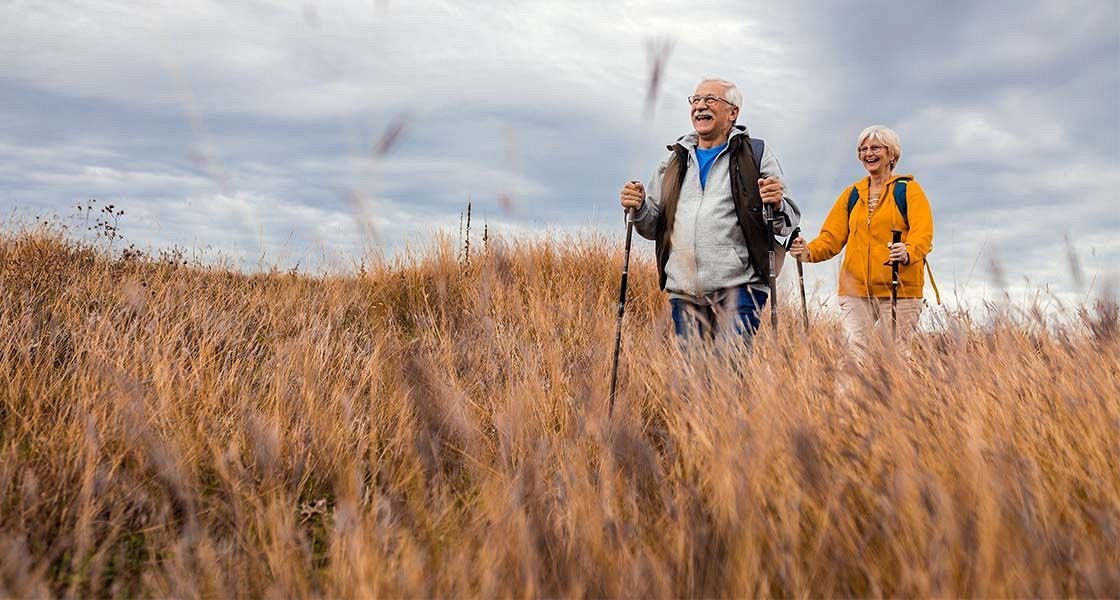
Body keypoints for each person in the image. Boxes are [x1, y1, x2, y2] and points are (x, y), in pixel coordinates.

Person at [619, 77, 799, 346]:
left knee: (727, 371)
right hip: (684, 291)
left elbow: (787, 221)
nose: (701, 106)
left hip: (741, 288)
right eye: (696, 100)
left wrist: (774, 203)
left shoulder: (755, 154)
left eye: (710, 100)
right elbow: (651, 226)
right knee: (694, 380)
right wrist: (639, 206)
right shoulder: (673, 160)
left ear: (733, 112)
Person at [788, 125, 933, 364]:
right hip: (855, 290)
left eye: (875, 148)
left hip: (900, 288)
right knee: (853, 357)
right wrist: (808, 251)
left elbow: (923, 233)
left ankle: (899, 401)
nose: (868, 154)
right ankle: (847, 402)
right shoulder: (852, 194)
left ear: (892, 154)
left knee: (896, 358)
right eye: (862, 149)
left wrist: (908, 251)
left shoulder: (908, 191)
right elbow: (831, 238)